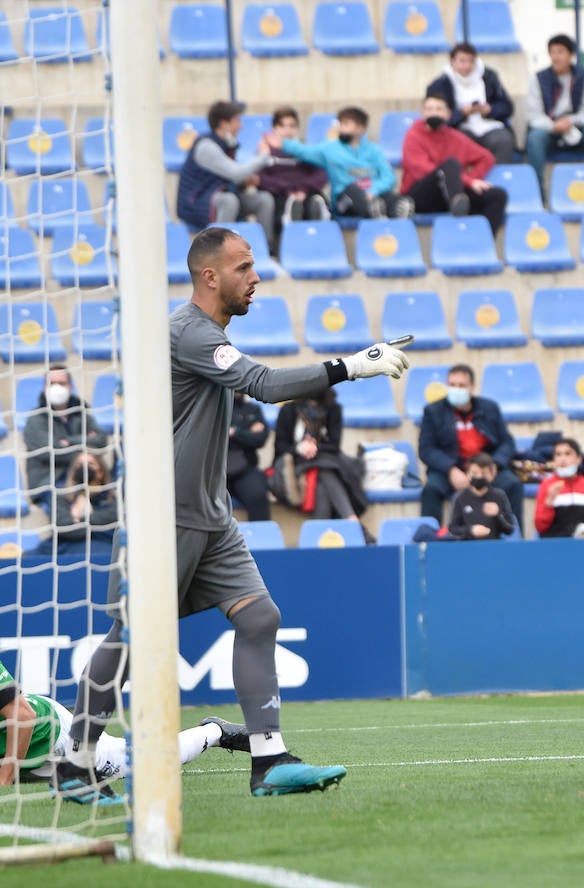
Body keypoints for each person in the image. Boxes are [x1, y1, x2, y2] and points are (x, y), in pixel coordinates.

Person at [54, 226, 411, 803]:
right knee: (132, 636)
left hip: (210, 516)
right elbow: (265, 386)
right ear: (210, 275)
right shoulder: (188, 332)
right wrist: (352, 365)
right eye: (244, 267)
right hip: (164, 517)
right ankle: (75, 760)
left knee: (259, 618)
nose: (256, 277)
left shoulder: (207, 334)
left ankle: (268, 759)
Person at [1, 657, 251, 793]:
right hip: (19, 747)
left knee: (147, 761)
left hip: (51, 734)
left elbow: (23, 716)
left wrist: (6, 776)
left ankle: (214, 731)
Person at [417, 364, 523, 530]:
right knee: (431, 490)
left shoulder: (489, 408)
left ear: (472, 387)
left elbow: (507, 443)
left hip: (486, 466)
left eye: (461, 385)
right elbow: (426, 449)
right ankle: (429, 542)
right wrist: (451, 469)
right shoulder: (433, 411)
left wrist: (493, 465)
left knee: (513, 484)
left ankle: (516, 537)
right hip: (451, 469)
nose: (456, 389)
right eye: (452, 385)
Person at [271, 106, 413, 219]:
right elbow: (304, 151)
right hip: (344, 202)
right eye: (340, 124)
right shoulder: (329, 148)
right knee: (352, 190)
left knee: (393, 199)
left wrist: (373, 191)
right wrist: (283, 143)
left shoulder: (374, 150)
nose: (340, 128)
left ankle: (395, 214)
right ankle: (373, 210)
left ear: (360, 128)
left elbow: (389, 177)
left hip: (372, 195)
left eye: (346, 124)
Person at [175, 100, 278, 250]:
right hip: (195, 204)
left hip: (216, 196)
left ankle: (265, 250)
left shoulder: (227, 143)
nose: (241, 125)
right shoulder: (206, 147)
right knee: (229, 201)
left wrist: (244, 182)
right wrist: (264, 155)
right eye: (237, 120)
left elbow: (227, 178)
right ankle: (220, 251)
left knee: (264, 200)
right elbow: (236, 173)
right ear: (224, 124)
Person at [401, 94, 509, 233]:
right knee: (451, 165)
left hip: (450, 194)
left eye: (439, 109)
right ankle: (457, 202)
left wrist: (471, 179)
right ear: (423, 113)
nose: (434, 112)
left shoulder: (455, 137)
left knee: (498, 196)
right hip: (421, 196)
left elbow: (487, 158)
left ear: (448, 114)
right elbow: (422, 170)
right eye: (429, 109)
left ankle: (481, 246)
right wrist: (469, 182)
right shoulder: (413, 136)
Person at [525, 34, 584, 200]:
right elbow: (533, 115)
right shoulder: (538, 78)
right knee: (534, 138)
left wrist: (570, 121)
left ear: (571, 55)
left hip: (576, 127)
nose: (556, 57)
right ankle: (538, 197)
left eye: (560, 52)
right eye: (552, 52)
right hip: (548, 129)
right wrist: (553, 126)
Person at [23, 365, 109, 517]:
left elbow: (101, 440)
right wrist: (84, 447)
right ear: (44, 387)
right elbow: (51, 452)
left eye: (61, 383)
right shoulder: (35, 420)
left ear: (71, 386)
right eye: (52, 383)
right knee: (69, 520)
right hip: (50, 481)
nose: (56, 388)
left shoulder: (81, 413)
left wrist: (68, 441)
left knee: (108, 502)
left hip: (84, 476)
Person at [273, 390, 369, 525]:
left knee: (322, 482)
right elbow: (280, 446)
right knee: (326, 470)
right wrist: (299, 448)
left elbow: (334, 445)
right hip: (296, 462)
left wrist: (314, 448)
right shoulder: (289, 409)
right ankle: (351, 520)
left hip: (325, 458)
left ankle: (320, 535)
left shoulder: (334, 409)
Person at [425, 41, 516, 164]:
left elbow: (507, 107)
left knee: (504, 139)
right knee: (458, 140)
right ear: (452, 62)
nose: (467, 66)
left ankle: (499, 179)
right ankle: (465, 180)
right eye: (462, 61)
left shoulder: (489, 77)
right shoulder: (440, 84)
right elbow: (437, 118)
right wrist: (462, 113)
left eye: (471, 61)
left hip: (489, 126)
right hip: (460, 128)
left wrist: (490, 109)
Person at [254, 107, 331, 236]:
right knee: (284, 204)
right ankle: (290, 219)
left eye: (291, 126)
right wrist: (289, 190)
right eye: (282, 126)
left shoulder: (304, 151)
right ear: (274, 129)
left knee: (314, 201)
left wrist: (303, 190)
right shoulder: (265, 152)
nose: (287, 130)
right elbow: (261, 179)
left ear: (297, 129)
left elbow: (322, 174)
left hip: (305, 194)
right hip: (281, 195)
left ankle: (319, 219)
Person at [45, 453, 118, 559]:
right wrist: (93, 525)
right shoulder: (61, 498)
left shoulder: (113, 499)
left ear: (101, 471)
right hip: (65, 549)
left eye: (91, 464)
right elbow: (62, 527)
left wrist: (77, 519)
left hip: (103, 548)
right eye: (80, 465)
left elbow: (110, 520)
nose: (85, 468)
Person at [534, 438, 584, 538]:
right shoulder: (547, 485)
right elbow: (540, 527)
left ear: (578, 459)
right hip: (554, 545)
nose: (562, 459)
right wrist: (549, 502)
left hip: (583, 545)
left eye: (567, 454)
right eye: (558, 455)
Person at [440, 452, 515, 541]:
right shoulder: (460, 497)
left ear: (492, 475)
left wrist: (497, 515)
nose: (479, 477)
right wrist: (471, 531)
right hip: (468, 548)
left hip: (493, 547)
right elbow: (453, 530)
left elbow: (509, 529)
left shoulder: (499, 496)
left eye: (483, 473)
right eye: (474, 473)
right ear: (467, 474)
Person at [226, 391, 271, 523]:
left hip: (245, 469)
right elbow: (211, 438)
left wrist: (234, 432)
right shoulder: (212, 407)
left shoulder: (253, 409)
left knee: (258, 496)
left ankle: (262, 541)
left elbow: (260, 439)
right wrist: (246, 433)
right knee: (209, 500)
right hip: (216, 472)